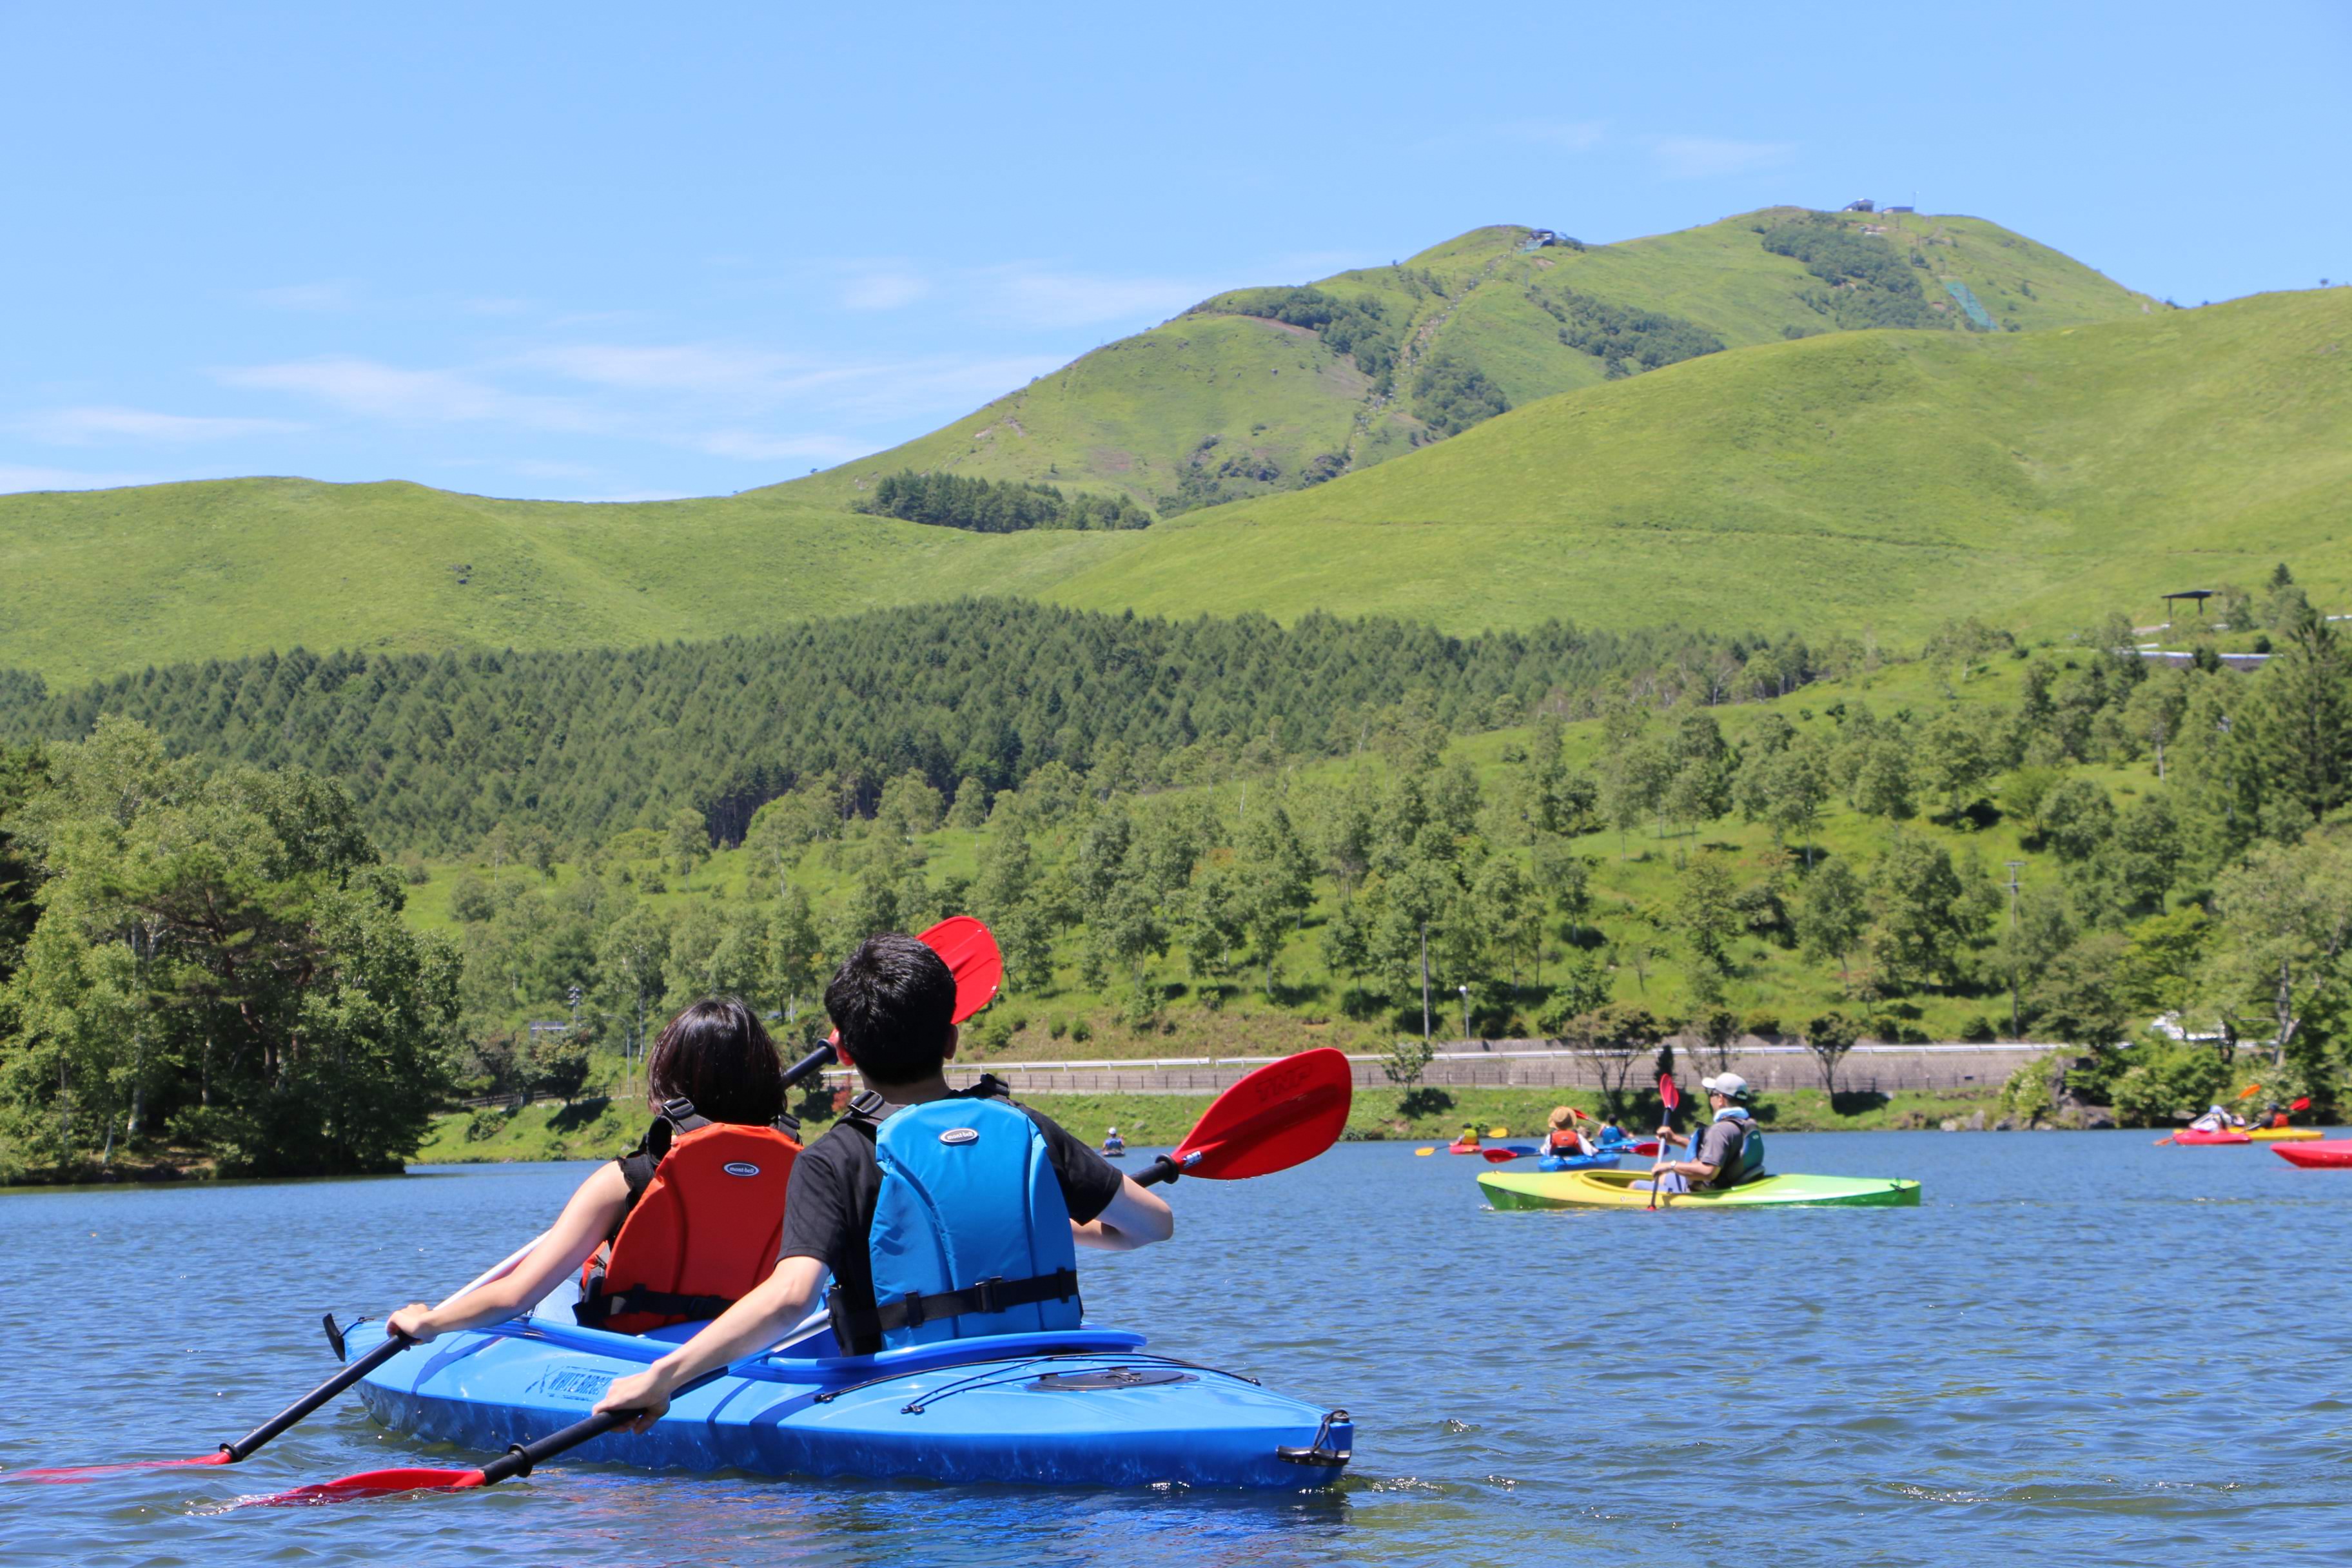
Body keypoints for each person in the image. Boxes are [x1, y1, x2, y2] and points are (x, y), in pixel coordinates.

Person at [594, 934, 1174, 1427]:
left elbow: (790, 1299)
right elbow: (1153, 1225)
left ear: (845, 1052)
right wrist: (1022, 1225)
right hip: (1041, 1369)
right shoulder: (1024, 1128)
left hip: (909, 1390)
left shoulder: (831, 1160)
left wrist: (662, 1377)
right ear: (951, 1039)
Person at [386, 997, 799, 1344]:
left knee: (560, 1287)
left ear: (668, 1085)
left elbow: (515, 1294)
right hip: (745, 1343)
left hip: (632, 1353)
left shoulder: (626, 1181)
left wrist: (432, 1321)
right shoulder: (805, 1175)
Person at [1637, 1072, 1766, 1194]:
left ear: (1720, 1099)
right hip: (1733, 1181)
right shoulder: (1747, 1123)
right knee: (1662, 1178)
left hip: (1708, 1190)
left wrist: (1671, 1165)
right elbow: (1716, 1152)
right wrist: (1676, 1140)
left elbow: (1708, 1172)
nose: (1710, 1097)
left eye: (1712, 1093)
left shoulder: (1720, 1131)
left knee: (1636, 1185)